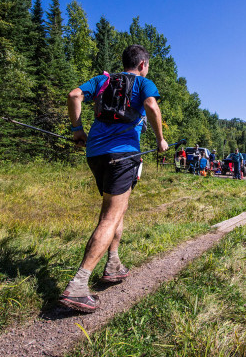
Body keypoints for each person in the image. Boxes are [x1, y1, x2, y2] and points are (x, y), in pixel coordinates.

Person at [61, 44, 169, 313]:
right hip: (123, 156)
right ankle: (78, 285)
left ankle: (113, 264)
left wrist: (77, 130)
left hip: (95, 153)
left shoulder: (103, 80)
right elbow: (151, 106)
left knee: (115, 210)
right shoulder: (143, 83)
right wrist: (160, 139)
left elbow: (75, 95)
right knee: (110, 217)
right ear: (142, 64)